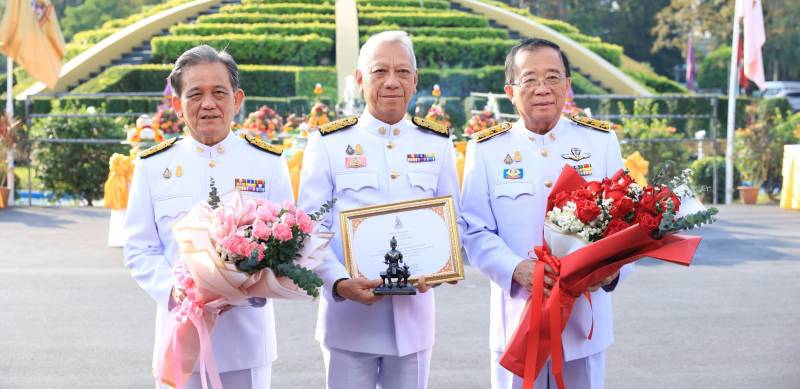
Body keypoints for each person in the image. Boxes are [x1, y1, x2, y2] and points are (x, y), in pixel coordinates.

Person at [460, 38, 630, 389]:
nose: (542, 89)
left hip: (584, 323)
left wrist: (609, 274)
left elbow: (626, 223)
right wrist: (516, 268)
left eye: (553, 78)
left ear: (568, 86)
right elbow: (474, 230)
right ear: (510, 91)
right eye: (530, 79)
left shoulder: (599, 143)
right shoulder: (488, 149)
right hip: (518, 323)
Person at [297, 30, 460, 389]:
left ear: (415, 81)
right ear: (359, 79)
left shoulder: (437, 143)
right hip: (349, 322)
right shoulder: (328, 143)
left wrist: (442, 264)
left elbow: (454, 222)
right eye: (379, 71)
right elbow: (309, 227)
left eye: (402, 72)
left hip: (413, 322)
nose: (391, 82)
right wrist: (338, 282)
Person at [123, 45, 293, 389]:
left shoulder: (268, 163)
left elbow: (290, 243)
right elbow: (139, 249)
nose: (208, 104)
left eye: (219, 93)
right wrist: (176, 290)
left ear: (237, 99)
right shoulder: (153, 166)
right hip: (181, 338)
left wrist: (250, 286)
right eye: (195, 94)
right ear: (177, 104)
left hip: (247, 338)